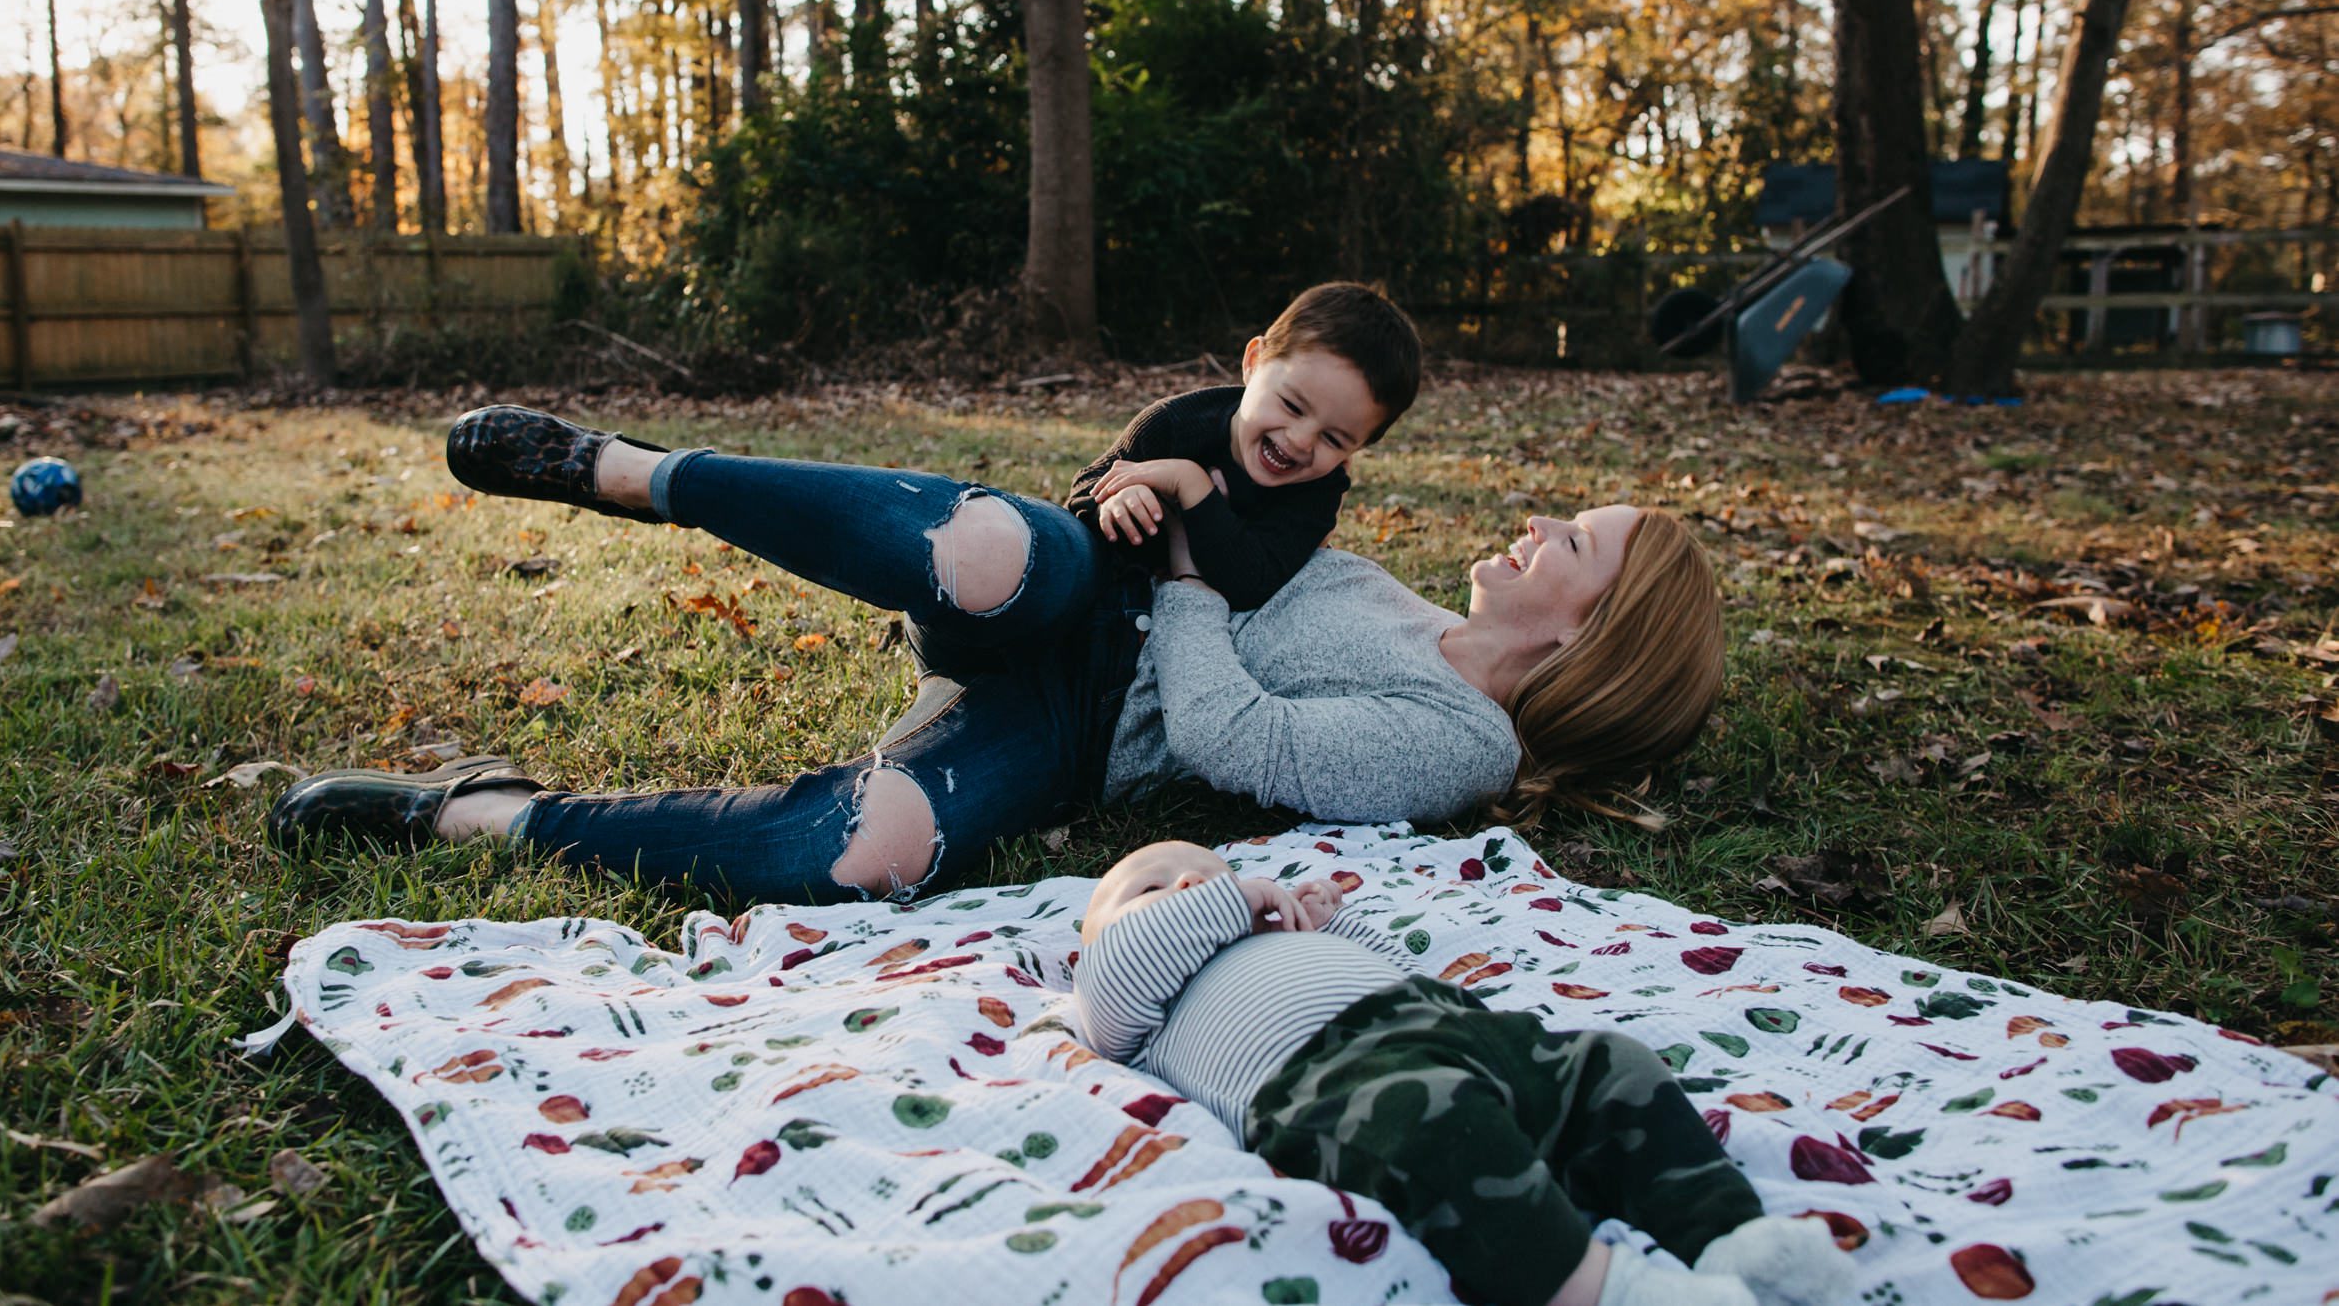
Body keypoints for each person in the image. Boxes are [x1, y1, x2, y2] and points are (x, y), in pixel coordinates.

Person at [268, 399, 1724, 906]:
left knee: (872, 850)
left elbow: (1233, 737)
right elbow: (1224, 504)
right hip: (1078, 589)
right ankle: (624, 468)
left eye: (1572, 541)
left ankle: (471, 805)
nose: (1538, 526)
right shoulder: (1408, 603)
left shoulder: (1462, 741)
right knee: (988, 550)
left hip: (1080, 731)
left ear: (1595, 631)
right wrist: (1157, 497)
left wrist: (1197, 569)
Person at [1073, 840, 1853, 1306]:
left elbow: (1402, 968)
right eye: (1152, 888)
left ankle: (1725, 1232)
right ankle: (1596, 1286)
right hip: (1329, 1080)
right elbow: (1116, 980)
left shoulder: (1266, 928)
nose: (1188, 885)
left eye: (1207, 872)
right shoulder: (1138, 1000)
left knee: (1611, 1066)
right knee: (1435, 1129)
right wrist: (1232, 894)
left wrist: (1331, 919)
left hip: (1455, 1030)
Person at [1069, 282, 1421, 611]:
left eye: (1333, 439)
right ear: (1254, 362)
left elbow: (1251, 583)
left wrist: (1191, 484)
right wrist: (1110, 501)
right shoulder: (1175, 422)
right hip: (1107, 602)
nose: (1300, 441)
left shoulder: (1317, 491)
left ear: (1357, 448)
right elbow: (1084, 491)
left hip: (1206, 632)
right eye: (1292, 406)